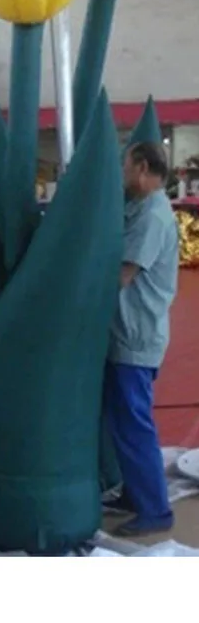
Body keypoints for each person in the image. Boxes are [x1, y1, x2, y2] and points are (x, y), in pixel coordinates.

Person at [103, 141, 179, 537]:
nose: (123, 173)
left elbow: (123, 274)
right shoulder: (139, 208)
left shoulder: (152, 216)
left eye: (126, 165)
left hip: (137, 337)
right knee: (122, 422)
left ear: (143, 168)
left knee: (134, 424)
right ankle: (135, 494)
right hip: (127, 333)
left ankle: (155, 509)